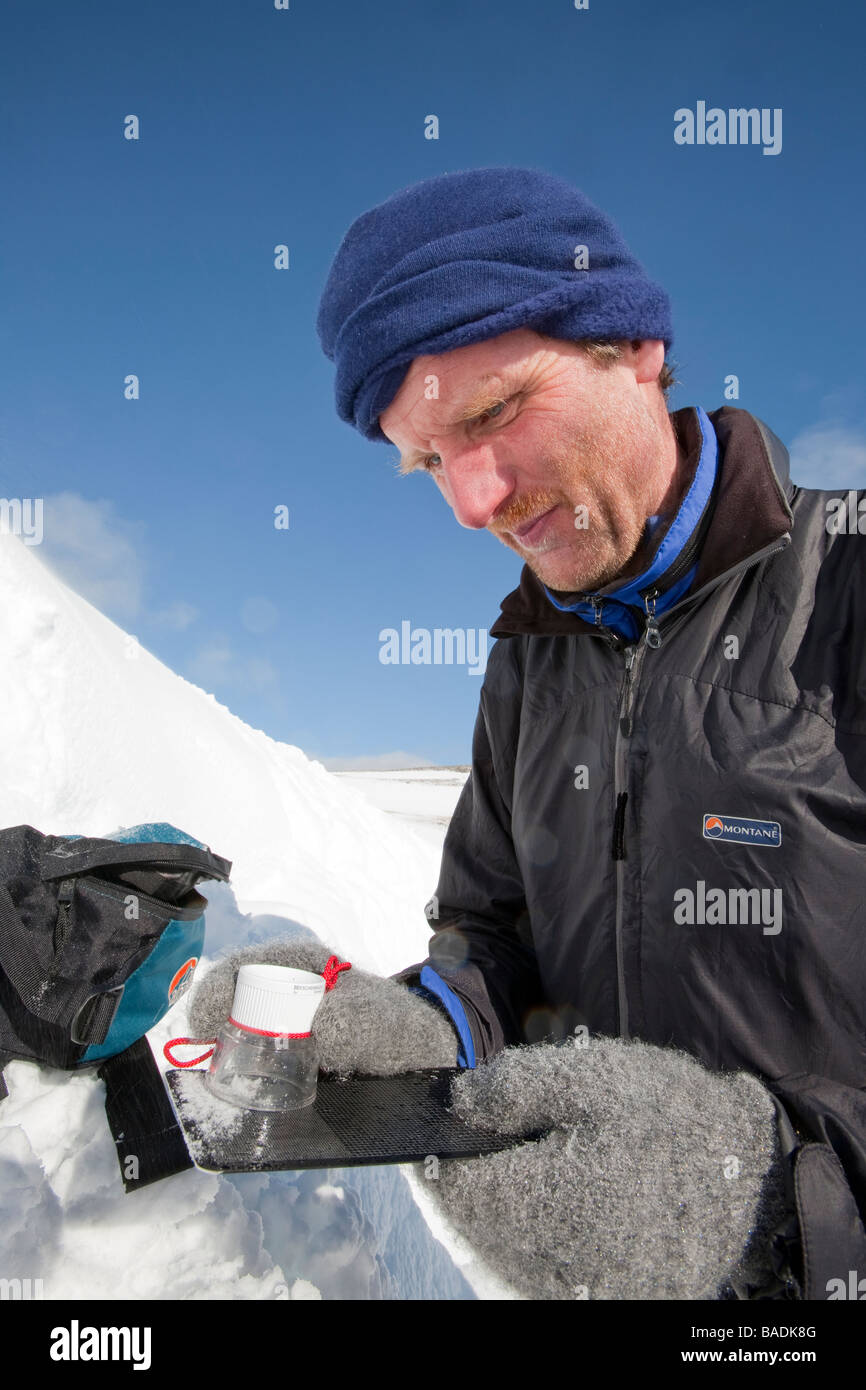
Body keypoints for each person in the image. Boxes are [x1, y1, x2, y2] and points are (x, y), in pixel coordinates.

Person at [194, 166, 866, 1300]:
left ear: (633, 348)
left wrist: (775, 1195)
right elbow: (494, 930)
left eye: (494, 414)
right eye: (425, 462)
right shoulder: (526, 662)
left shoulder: (844, 588)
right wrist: (431, 1016)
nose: (470, 501)